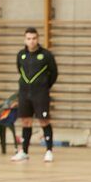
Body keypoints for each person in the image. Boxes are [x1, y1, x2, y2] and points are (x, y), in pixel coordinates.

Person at [11, 27, 58, 163]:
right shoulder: (21, 55)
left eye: (34, 38)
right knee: (26, 121)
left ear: (38, 39)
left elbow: (54, 73)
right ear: (25, 40)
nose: (31, 41)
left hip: (40, 94)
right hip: (24, 93)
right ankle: (24, 151)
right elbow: (19, 69)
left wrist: (43, 86)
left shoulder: (46, 55)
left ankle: (49, 151)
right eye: (29, 39)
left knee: (44, 121)